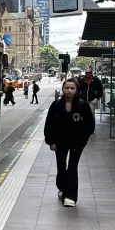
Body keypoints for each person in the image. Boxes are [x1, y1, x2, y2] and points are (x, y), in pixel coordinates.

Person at [44, 78, 95, 207]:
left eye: (72, 88)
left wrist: (83, 140)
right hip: (60, 142)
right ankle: (62, 187)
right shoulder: (55, 105)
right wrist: (51, 141)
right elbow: (49, 124)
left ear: (76, 90)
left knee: (72, 167)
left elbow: (90, 125)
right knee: (61, 166)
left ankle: (70, 196)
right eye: (67, 88)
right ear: (63, 89)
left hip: (77, 143)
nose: (69, 91)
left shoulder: (83, 105)